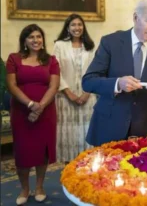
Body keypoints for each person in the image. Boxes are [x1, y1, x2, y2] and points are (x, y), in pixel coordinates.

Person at [82, 0, 147, 146]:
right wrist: (117, 83)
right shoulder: (110, 42)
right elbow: (88, 81)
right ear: (136, 18)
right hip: (109, 125)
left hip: (143, 129)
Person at [6, 24, 60, 205]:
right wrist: (30, 105)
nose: (35, 40)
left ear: (43, 40)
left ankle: (39, 187)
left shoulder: (51, 60)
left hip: (46, 112)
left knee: (42, 151)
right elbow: (11, 86)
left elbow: (54, 86)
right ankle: (24, 188)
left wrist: (40, 107)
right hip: (21, 112)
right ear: (25, 41)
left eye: (38, 36)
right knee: (23, 152)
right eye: (31, 37)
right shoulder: (14, 59)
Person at [53, 13, 96, 163]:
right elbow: (55, 71)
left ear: (83, 27)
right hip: (65, 97)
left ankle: (87, 172)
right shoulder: (59, 45)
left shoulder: (90, 46)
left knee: (86, 134)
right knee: (69, 135)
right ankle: (69, 171)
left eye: (79, 25)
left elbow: (94, 71)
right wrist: (69, 93)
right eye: (73, 25)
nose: (77, 28)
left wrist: (86, 93)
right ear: (68, 27)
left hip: (87, 97)